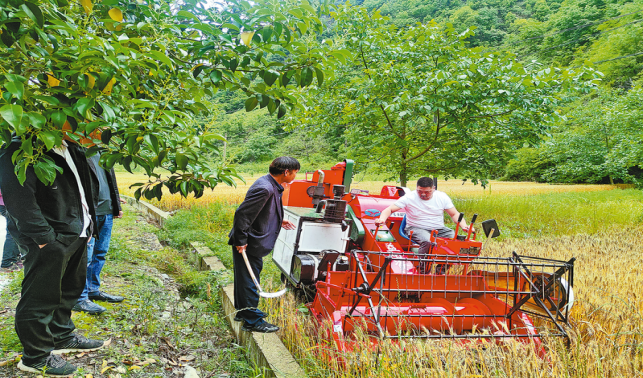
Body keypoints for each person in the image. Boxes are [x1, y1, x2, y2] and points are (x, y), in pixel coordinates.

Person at [0, 138, 105, 376]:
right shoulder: (23, 147)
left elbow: (84, 190)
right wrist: (45, 238)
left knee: (69, 289)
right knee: (40, 297)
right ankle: (35, 356)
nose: (86, 121)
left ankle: (61, 336)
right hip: (49, 238)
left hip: (77, 232)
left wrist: (88, 228)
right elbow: (18, 197)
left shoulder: (74, 148)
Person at [228, 156, 299, 333]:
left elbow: (261, 211)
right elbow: (242, 215)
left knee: (245, 278)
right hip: (249, 242)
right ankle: (252, 321)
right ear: (286, 172)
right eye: (295, 173)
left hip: (252, 240)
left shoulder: (271, 184)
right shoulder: (265, 188)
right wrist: (241, 241)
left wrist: (279, 221)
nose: (295, 177)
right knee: (250, 280)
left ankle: (243, 312)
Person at [72, 151, 125, 315]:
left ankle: (93, 290)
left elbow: (111, 182)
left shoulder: (103, 153)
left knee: (100, 253)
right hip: (89, 212)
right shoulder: (77, 151)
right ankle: (79, 298)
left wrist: (116, 205)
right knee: (85, 256)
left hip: (107, 211)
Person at [376, 176, 471, 251]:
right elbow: (389, 209)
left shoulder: (442, 197)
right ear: (416, 188)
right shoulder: (409, 197)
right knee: (428, 241)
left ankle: (441, 269)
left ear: (433, 188)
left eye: (427, 192)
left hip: (438, 229)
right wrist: (382, 219)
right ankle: (423, 270)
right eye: (419, 191)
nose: (423, 194)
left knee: (454, 240)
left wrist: (464, 226)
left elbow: (454, 214)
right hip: (415, 228)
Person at [0, 189, 25, 272]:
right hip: (6, 202)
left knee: (18, 229)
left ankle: (14, 259)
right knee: (14, 230)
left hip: (8, 201)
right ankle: (7, 263)